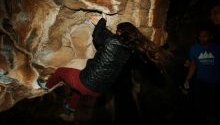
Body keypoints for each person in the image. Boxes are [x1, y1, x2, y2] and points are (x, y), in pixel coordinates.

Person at [37, 16, 170, 121]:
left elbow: (98, 36)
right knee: (79, 90)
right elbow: (110, 37)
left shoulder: (112, 41)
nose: (115, 33)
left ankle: (46, 86)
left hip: (86, 81)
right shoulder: (130, 49)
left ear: (120, 32)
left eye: (117, 31)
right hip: (98, 91)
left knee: (60, 72)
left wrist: (101, 20)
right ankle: (70, 109)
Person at [183, 27, 220, 124]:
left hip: (215, 83)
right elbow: (193, 65)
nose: (202, 38)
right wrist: (187, 79)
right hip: (200, 82)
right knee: (199, 105)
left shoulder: (217, 49)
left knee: (213, 108)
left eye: (205, 36)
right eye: (200, 36)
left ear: (211, 37)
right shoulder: (194, 49)